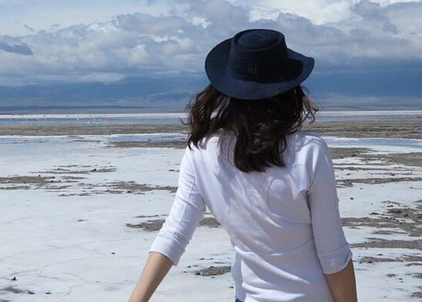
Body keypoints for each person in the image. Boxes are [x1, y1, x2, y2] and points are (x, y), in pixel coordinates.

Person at [128, 29, 357, 302]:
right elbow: (333, 255)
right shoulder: (309, 152)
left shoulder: (202, 152)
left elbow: (174, 235)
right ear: (289, 88)